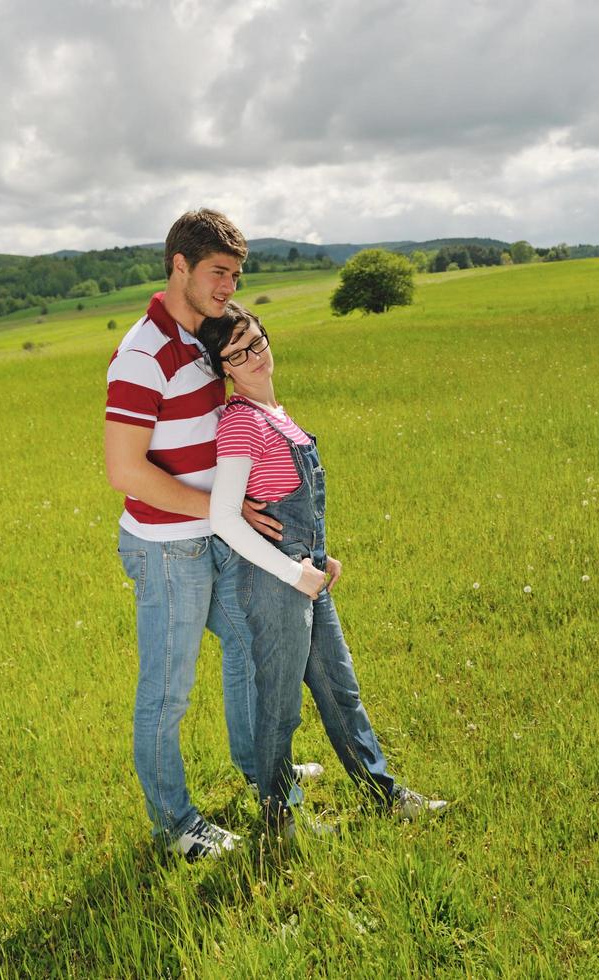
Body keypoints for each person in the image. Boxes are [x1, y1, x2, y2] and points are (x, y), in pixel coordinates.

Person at [104, 208, 318, 861]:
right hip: (167, 549)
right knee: (167, 689)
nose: (230, 286)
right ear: (180, 266)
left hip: (216, 533)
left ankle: (260, 772)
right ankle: (174, 824)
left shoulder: (204, 335)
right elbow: (125, 470)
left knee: (252, 649)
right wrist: (220, 513)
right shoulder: (142, 355)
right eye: (219, 273)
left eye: (236, 274)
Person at [202, 304, 446, 840]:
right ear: (225, 370)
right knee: (280, 706)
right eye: (236, 354)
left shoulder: (276, 413)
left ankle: (383, 795)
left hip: (305, 571)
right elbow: (222, 516)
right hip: (274, 585)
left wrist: (317, 554)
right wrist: (293, 573)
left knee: (341, 690)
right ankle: (280, 821)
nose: (254, 357)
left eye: (256, 340)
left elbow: (287, 504)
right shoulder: (242, 421)